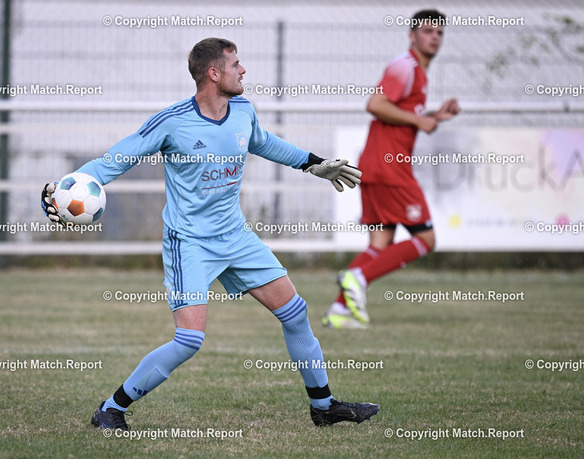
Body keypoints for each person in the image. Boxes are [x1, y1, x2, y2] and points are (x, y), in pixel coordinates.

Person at [41, 37, 378, 429]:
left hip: (236, 236)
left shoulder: (243, 110)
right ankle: (111, 409)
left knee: (295, 313)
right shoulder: (172, 121)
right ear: (214, 74)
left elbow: (264, 142)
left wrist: (313, 163)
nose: (243, 70)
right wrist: (69, 186)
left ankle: (324, 407)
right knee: (189, 340)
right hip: (190, 242)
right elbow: (117, 158)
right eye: (236, 64)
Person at [323, 10, 460, 329]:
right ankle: (358, 277)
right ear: (412, 35)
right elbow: (376, 104)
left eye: (439, 32)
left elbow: (401, 114)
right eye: (427, 31)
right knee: (425, 239)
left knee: (379, 244)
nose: (435, 37)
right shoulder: (405, 66)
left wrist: (433, 116)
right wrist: (420, 120)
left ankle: (340, 311)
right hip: (390, 169)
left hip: (377, 165)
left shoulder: (418, 73)